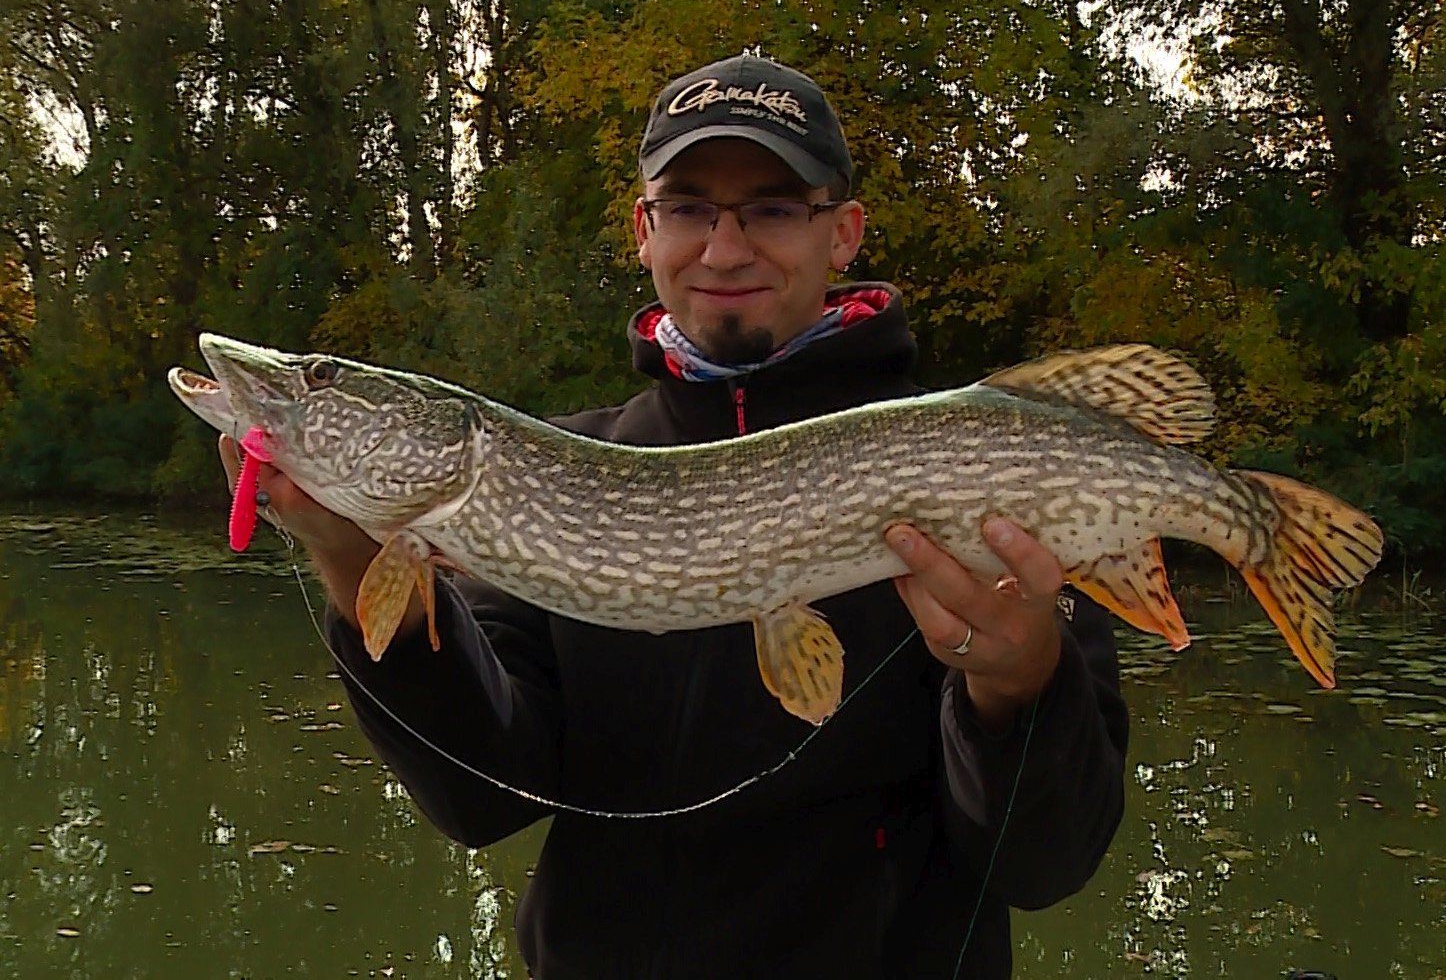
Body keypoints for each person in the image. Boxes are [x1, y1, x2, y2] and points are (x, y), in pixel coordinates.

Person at [221, 54, 1128, 978]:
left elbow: (1044, 864)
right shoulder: (552, 473)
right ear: (643, 231)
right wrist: (347, 559)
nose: (724, 250)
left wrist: (1021, 689)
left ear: (843, 233)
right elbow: (479, 801)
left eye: (772, 209)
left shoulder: (970, 464)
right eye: (689, 208)